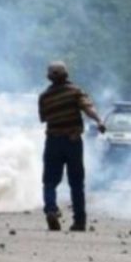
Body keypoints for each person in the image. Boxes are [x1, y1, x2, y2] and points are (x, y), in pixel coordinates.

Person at [38, 61, 105, 232]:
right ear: (66, 75)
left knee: (49, 182)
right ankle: (79, 221)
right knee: (76, 183)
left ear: (48, 77)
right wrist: (98, 120)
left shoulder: (44, 97)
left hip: (53, 142)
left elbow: (44, 118)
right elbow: (87, 107)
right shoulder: (75, 91)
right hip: (73, 141)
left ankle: (51, 209)